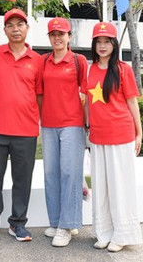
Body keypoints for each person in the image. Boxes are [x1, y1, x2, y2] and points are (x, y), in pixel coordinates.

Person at [0, 8, 43, 244]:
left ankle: (18, 223)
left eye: (20, 24)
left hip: (26, 130)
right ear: (4, 30)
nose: (16, 29)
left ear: (27, 28)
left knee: (22, 179)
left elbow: (38, 94)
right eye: (11, 25)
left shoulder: (37, 60)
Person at [84, 22, 143, 253]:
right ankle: (104, 232)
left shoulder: (123, 69)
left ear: (114, 44)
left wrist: (139, 132)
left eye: (107, 41)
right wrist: (86, 127)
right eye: (98, 41)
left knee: (120, 186)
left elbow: (131, 102)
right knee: (101, 186)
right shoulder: (90, 70)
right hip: (97, 136)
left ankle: (123, 233)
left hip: (121, 135)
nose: (102, 45)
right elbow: (87, 101)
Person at [40, 17, 88, 247]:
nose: (57, 38)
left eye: (62, 34)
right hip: (48, 124)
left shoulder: (79, 61)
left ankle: (68, 225)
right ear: (49, 37)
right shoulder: (44, 61)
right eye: (53, 34)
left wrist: (88, 124)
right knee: (51, 174)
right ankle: (57, 220)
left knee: (70, 173)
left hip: (72, 123)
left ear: (70, 36)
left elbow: (87, 95)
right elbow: (39, 93)